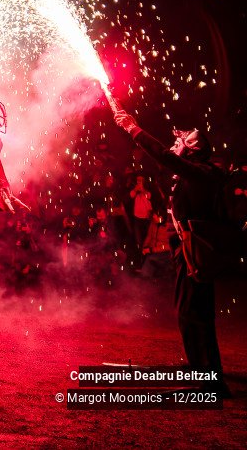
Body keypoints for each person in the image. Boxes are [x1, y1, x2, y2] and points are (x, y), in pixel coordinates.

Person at [114, 110, 232, 397]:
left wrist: (133, 128)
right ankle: (208, 375)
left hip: (196, 253)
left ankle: (207, 382)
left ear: (191, 152)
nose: (175, 144)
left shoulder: (202, 172)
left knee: (192, 313)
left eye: (181, 143)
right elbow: (166, 161)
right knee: (194, 312)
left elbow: (164, 156)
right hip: (189, 253)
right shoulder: (194, 173)